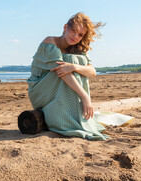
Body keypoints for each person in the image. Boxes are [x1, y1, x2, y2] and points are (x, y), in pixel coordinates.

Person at [27, 12, 109, 140]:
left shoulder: (75, 49)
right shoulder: (50, 42)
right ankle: (65, 117)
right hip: (40, 91)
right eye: (73, 31)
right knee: (65, 65)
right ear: (65, 28)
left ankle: (75, 115)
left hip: (58, 88)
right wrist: (85, 97)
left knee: (75, 61)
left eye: (80, 35)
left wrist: (74, 67)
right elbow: (62, 73)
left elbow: (92, 71)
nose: (76, 37)